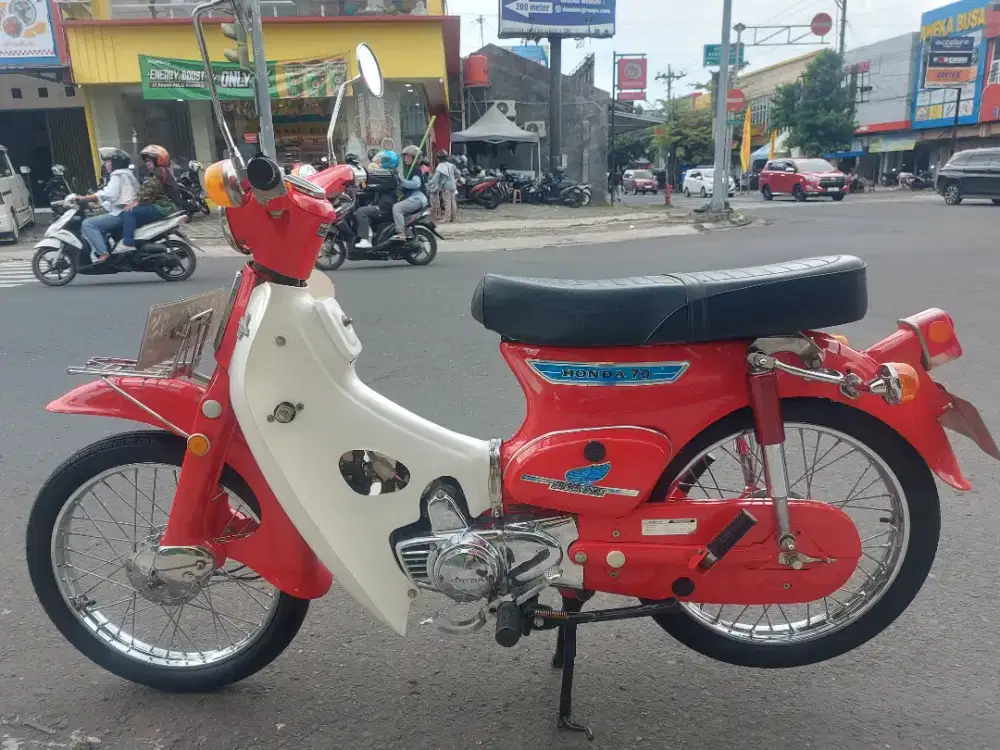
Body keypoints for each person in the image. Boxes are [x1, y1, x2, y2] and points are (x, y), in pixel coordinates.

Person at [116, 144, 183, 254]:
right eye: (146, 161)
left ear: (158, 160)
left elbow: (150, 190)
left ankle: (127, 244)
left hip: (165, 207)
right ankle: (140, 242)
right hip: (165, 205)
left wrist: (136, 202)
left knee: (129, 212)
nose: (147, 163)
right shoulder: (160, 172)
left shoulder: (159, 171)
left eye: (149, 161)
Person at [77, 147, 139, 263]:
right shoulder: (126, 174)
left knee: (88, 224)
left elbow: (110, 194)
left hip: (120, 214)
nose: (105, 165)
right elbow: (117, 197)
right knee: (95, 219)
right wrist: (96, 205)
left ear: (116, 163)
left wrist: (85, 198)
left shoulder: (117, 175)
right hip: (122, 211)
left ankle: (103, 253)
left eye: (107, 162)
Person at [355, 149, 398, 250]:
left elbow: (374, 183)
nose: (379, 163)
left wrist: (363, 184)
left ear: (389, 162)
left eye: (382, 161)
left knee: (361, 212)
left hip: (385, 207)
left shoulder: (389, 175)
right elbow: (375, 187)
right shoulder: (389, 174)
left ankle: (365, 239)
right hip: (383, 204)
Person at [391, 145, 428, 241]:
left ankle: (401, 233)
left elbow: (416, 184)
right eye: (405, 156)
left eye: (408, 156)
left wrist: (401, 181)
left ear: (414, 158)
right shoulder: (409, 169)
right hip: (415, 198)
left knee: (397, 208)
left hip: (417, 198)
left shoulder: (415, 170)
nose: (406, 159)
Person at [429, 150, 459, 223]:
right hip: (453, 185)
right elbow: (458, 173)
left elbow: (435, 178)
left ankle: (446, 219)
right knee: (453, 201)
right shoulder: (451, 165)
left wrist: (429, 183)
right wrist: (456, 179)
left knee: (447, 202)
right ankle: (453, 218)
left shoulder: (440, 166)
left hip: (446, 186)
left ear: (439, 158)